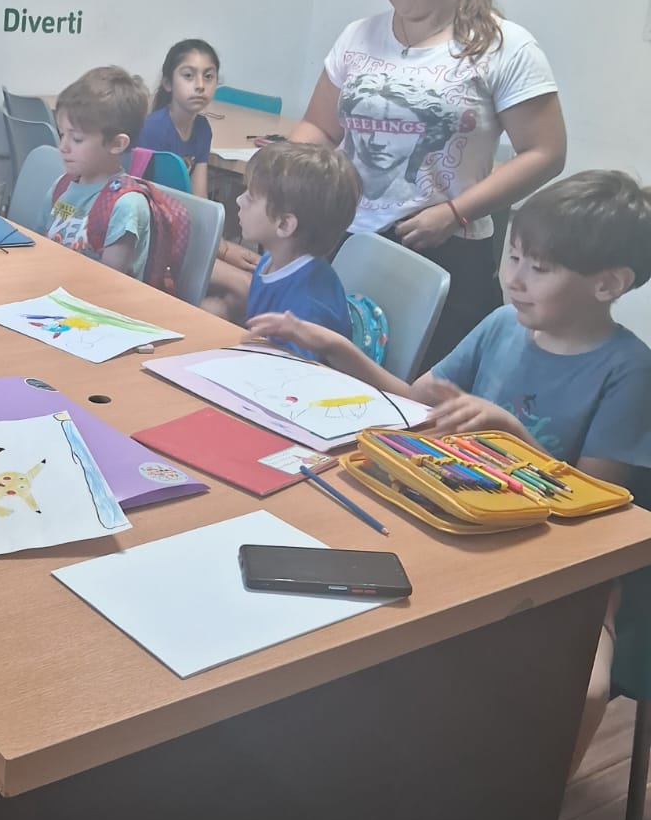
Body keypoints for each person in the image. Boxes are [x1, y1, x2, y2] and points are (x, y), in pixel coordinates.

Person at [245, 170, 651, 772]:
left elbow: (600, 506)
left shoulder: (628, 370)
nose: (514, 278)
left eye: (539, 268)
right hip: (455, 522)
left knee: (586, 688)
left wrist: (507, 434)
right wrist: (335, 347)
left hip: (560, 567)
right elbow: (413, 404)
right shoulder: (501, 325)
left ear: (608, 284)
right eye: (513, 256)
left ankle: (534, 806)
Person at [290, 0, 567, 365]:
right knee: (326, 372)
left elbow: (545, 153)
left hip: (444, 247)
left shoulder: (506, 46)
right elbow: (319, 128)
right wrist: (282, 177)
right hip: (347, 238)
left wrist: (455, 212)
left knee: (417, 391)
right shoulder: (359, 35)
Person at [204, 142, 362, 360]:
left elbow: (291, 370)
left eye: (250, 197)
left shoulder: (307, 304)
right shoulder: (272, 259)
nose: (239, 201)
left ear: (285, 225)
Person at [40, 65, 152, 279]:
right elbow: (37, 249)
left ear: (117, 144)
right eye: (62, 134)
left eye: (77, 139)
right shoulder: (61, 187)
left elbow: (107, 284)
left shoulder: (126, 205)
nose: (63, 146)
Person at [136, 38, 221, 202]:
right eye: (188, 75)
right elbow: (147, 198)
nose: (200, 85)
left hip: (179, 211)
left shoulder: (203, 128)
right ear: (168, 83)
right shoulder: (153, 129)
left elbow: (199, 197)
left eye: (208, 76)